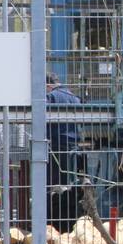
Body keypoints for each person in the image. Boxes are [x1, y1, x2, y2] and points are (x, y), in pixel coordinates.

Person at [46, 73, 81, 232]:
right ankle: (70, 223)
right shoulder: (73, 96)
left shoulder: (51, 96)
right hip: (73, 144)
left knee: (53, 185)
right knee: (69, 184)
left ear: (48, 85)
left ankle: (53, 224)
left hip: (56, 143)